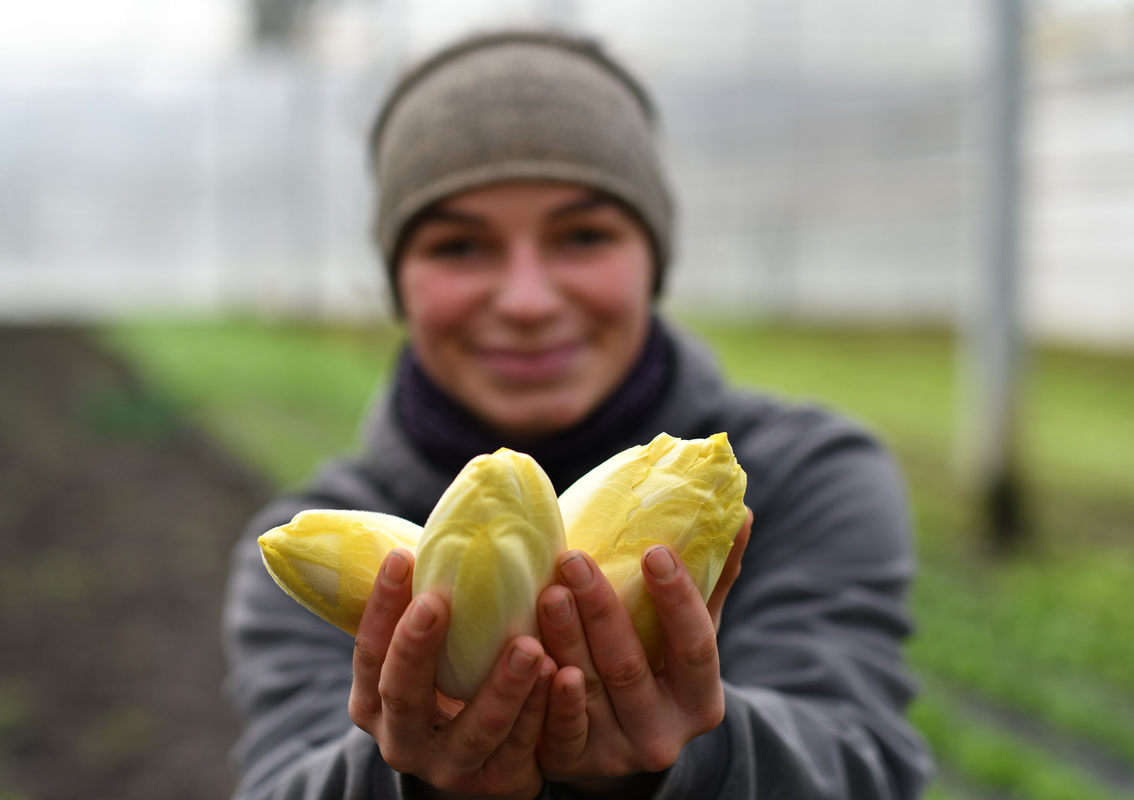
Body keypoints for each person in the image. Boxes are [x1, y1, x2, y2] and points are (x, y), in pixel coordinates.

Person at [222, 30, 932, 800]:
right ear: (400, 283)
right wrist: (410, 782)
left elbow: (864, 762)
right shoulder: (314, 549)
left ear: (652, 259)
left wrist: (688, 763)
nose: (527, 301)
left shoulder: (802, 473)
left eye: (584, 235)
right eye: (460, 245)